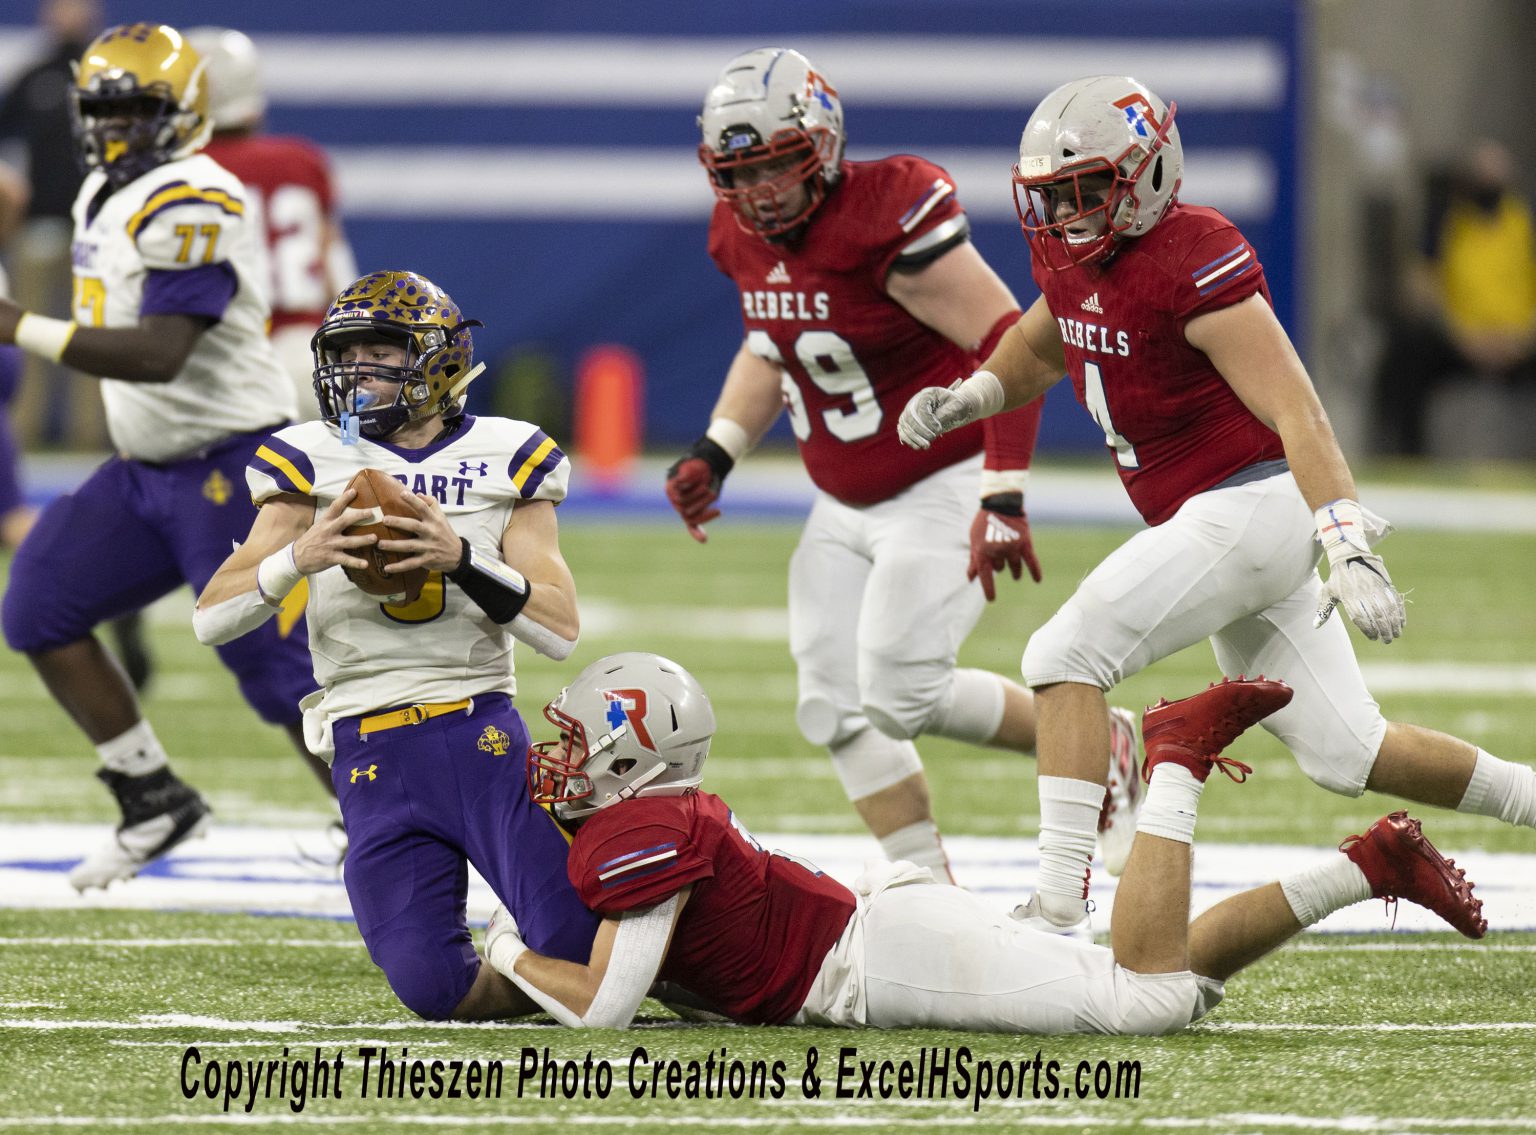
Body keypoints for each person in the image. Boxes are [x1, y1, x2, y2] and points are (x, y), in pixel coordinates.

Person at [896, 75, 1536, 936]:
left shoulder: (1193, 254)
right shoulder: (1075, 253)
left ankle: (1054, 905)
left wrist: (1344, 537)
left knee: (1062, 656)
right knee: (1352, 752)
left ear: (1151, 174)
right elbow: (1047, 339)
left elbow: (1296, 408)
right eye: (1053, 196)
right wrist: (973, 394)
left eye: (1086, 189)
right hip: (1214, 520)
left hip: (1251, 507)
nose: (1068, 213)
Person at [666, 47, 1140, 884]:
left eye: (776, 163)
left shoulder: (884, 214)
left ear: (822, 145)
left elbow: (1014, 344)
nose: (759, 190)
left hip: (941, 478)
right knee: (831, 704)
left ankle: (1108, 741)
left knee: (899, 693)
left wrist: (1002, 490)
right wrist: (718, 448)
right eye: (739, 172)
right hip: (841, 500)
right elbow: (771, 344)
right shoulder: (733, 234)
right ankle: (929, 890)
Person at [481, 654, 1485, 1033]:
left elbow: (606, 1008)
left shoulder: (645, 831)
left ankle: (1172, 758)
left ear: (635, 757)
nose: (556, 755)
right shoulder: (645, 820)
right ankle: (1372, 863)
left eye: (577, 741)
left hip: (871, 961)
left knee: (1146, 1002)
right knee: (1161, 977)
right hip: (879, 937)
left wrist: (495, 948)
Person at [194, 268, 598, 1021]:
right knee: (433, 989)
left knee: (576, 945)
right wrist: (299, 556)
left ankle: (547, 941)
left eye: (380, 355)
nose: (357, 375)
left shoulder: (508, 454)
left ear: (439, 360)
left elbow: (558, 628)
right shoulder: (308, 456)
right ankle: (526, 953)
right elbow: (211, 616)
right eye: (346, 357)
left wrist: (462, 559)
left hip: (479, 731)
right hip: (368, 746)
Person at [0, 23, 322, 892]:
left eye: (136, 109)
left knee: (279, 676)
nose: (115, 127)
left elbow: (159, 352)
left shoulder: (194, 197)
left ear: (183, 113)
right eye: (102, 109)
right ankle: (151, 794)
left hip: (234, 463)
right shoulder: (106, 188)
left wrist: (16, 324)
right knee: (38, 605)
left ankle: (392, 832)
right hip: (147, 468)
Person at [186, 26, 357, 420]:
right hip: (309, 356)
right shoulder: (303, 160)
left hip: (227, 358)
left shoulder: (181, 172)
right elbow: (338, 271)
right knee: (336, 471)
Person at [1372, 139, 1536, 456]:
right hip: (1460, 341)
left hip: (1518, 343)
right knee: (1405, 353)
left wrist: (1523, 337)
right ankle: (1407, 458)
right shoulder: (1446, 222)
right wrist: (1459, 336)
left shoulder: (1524, 221)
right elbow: (1422, 286)